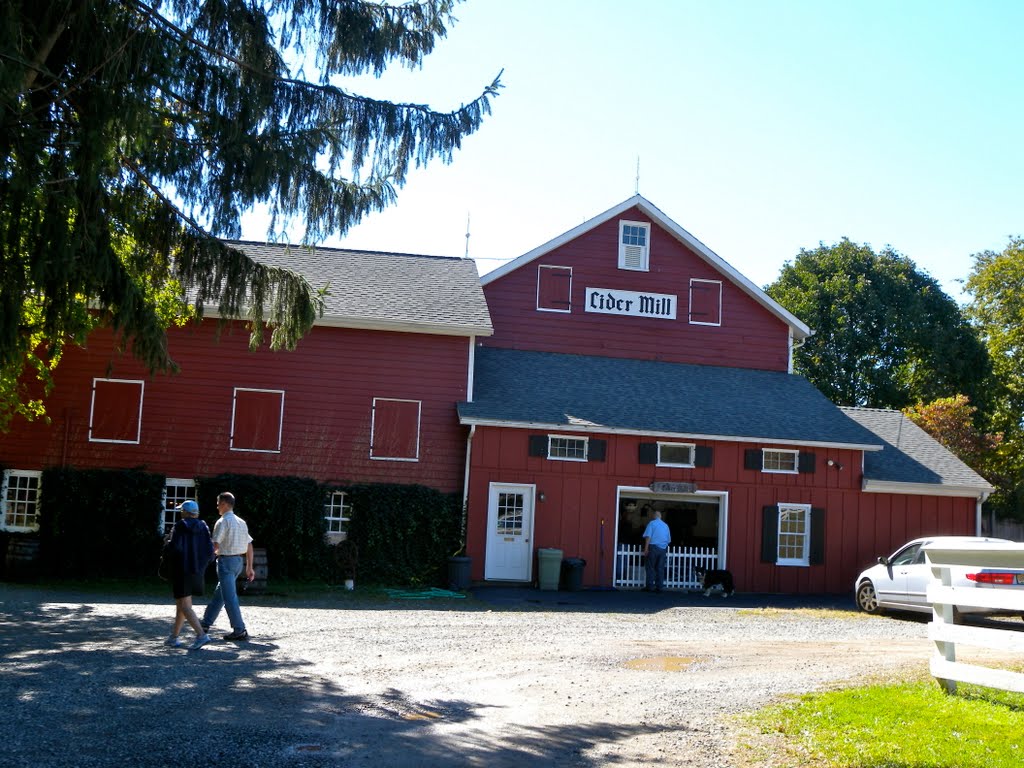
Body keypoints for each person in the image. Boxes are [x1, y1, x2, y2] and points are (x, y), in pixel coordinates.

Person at [201, 492, 255, 641]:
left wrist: (202, 560)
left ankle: (239, 629)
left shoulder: (222, 522)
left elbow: (215, 545)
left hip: (226, 562)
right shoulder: (241, 522)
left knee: (230, 597)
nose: (217, 506)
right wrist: (249, 567)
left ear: (224, 504)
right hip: (238, 562)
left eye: (218, 503)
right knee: (220, 595)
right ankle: (204, 624)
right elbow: (249, 545)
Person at [164, 500, 214, 650]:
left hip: (182, 569)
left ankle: (201, 635)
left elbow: (175, 547)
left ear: (185, 512)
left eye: (181, 510)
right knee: (182, 604)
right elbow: (210, 551)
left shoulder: (180, 525)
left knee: (185, 606)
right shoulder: (203, 526)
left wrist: (166, 545)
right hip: (197, 570)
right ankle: (174, 637)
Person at [642, 508, 671, 593]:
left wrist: (646, 548)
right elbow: (668, 540)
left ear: (654, 516)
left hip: (653, 547)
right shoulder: (666, 525)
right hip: (663, 549)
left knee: (650, 567)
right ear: (660, 517)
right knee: (660, 568)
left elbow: (648, 537)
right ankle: (659, 587)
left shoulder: (652, 523)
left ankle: (650, 587)